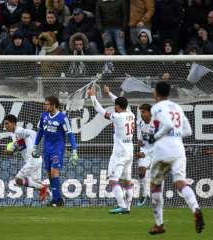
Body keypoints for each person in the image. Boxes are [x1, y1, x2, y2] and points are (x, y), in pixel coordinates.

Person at [147, 81, 204, 234]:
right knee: (180, 183)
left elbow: (167, 125)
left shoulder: (157, 107)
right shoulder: (177, 107)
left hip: (162, 150)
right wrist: (175, 135)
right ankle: (195, 209)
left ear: (157, 93)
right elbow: (188, 131)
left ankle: (159, 224)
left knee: (155, 186)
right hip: (178, 149)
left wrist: (156, 136)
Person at [87, 86, 135, 214]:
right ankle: (128, 207)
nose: (114, 106)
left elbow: (99, 109)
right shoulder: (131, 114)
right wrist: (109, 94)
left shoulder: (117, 117)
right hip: (130, 150)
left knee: (113, 180)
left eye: (115, 105)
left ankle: (122, 206)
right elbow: (120, 102)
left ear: (118, 107)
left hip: (120, 152)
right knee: (127, 181)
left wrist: (92, 95)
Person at [33, 96, 78, 207]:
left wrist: (74, 150)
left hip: (57, 149)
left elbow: (70, 134)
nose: (45, 106)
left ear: (53, 105)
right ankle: (57, 199)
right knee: (49, 174)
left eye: (47, 104)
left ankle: (57, 201)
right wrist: (35, 146)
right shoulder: (43, 116)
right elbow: (40, 132)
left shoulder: (63, 118)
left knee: (54, 172)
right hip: (46, 149)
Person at [3, 114, 48, 201]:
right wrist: (12, 151)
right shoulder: (14, 136)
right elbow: (21, 147)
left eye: (7, 124)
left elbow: (33, 133)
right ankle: (54, 198)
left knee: (18, 180)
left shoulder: (19, 131)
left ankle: (43, 188)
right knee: (37, 183)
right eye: (5, 124)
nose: (5, 126)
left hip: (33, 160)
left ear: (13, 123)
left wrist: (35, 147)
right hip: (35, 160)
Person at [135, 103, 155, 207]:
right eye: (141, 112)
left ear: (150, 113)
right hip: (145, 151)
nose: (142, 114)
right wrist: (139, 142)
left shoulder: (156, 125)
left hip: (155, 152)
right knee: (141, 172)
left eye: (143, 112)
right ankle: (144, 194)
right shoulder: (139, 124)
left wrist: (144, 153)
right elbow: (140, 139)